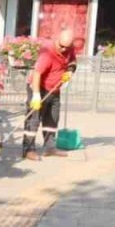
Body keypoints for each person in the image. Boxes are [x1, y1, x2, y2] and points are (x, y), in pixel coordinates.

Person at [23, 30, 78, 161]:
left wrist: (70, 72)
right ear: (58, 39)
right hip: (38, 88)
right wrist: (36, 95)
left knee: (52, 118)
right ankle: (28, 150)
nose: (64, 49)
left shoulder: (69, 49)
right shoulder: (47, 53)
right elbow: (37, 74)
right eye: (62, 46)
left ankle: (50, 148)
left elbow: (73, 62)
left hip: (54, 89)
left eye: (67, 47)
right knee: (33, 120)